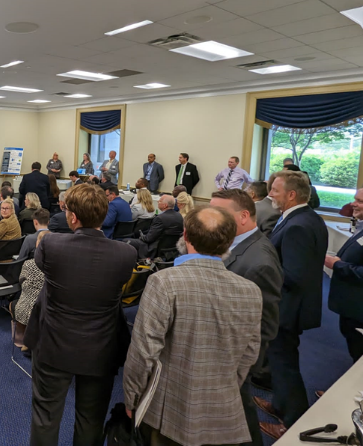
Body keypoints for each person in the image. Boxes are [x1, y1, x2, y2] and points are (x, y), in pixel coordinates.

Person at [124, 207, 263, 446]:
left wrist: (132, 398)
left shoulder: (164, 282)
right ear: (230, 241)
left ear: (185, 236)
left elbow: (144, 351)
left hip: (169, 412)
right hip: (223, 413)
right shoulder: (251, 291)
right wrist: (224, 388)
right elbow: (249, 354)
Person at [25, 183, 136, 445]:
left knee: (45, 417)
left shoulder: (50, 243)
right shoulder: (126, 253)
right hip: (101, 349)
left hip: (53, 345)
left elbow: (40, 267)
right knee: (91, 421)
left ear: (73, 217)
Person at [255, 170, 328, 439]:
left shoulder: (298, 225)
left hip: (287, 308)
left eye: (275, 190)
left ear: (291, 194)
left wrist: (262, 271)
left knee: (284, 363)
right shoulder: (304, 218)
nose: (270, 195)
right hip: (291, 305)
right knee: (279, 360)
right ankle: (280, 405)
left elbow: (294, 275)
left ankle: (293, 421)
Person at [210, 189, 284, 446]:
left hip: (232, 361)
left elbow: (265, 327)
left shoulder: (259, 261)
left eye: (219, 213)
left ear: (243, 216)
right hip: (224, 353)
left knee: (238, 416)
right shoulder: (238, 245)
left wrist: (241, 367)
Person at [326, 187, 363, 362]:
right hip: (352, 307)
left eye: (360, 201)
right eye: (355, 199)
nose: (353, 204)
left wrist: (338, 265)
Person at [11, 230, 50, 348]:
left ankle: (21, 339)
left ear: (37, 244)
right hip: (48, 311)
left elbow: (21, 282)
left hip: (28, 310)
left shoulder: (28, 264)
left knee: (13, 305)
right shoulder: (58, 267)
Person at [127, 194, 184, 259]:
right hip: (171, 249)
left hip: (154, 249)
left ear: (165, 205)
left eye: (160, 201)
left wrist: (141, 237)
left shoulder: (160, 218)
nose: (157, 202)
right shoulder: (179, 216)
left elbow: (149, 239)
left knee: (126, 241)